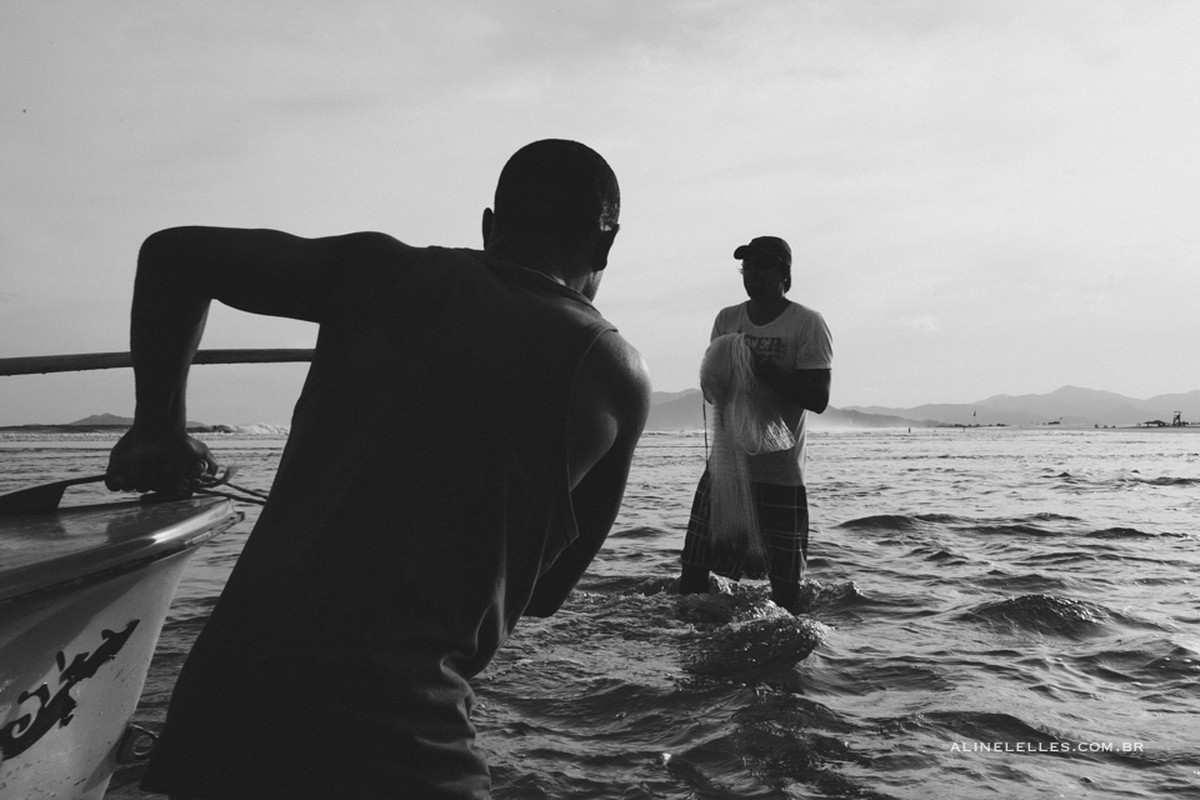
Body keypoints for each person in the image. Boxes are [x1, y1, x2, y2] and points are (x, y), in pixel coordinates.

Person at [104, 139, 651, 800]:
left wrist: (157, 428)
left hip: (227, 714)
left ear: (488, 227)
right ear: (605, 244)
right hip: (401, 746)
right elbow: (545, 593)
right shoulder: (615, 375)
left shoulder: (375, 271)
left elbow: (173, 254)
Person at [678, 235, 832, 612]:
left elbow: (818, 398)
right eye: (747, 266)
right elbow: (714, 388)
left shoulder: (807, 324)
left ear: (784, 274)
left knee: (785, 589)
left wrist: (758, 365)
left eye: (761, 265)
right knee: (694, 571)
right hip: (727, 470)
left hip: (780, 474)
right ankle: (693, 638)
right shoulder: (728, 319)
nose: (751, 274)